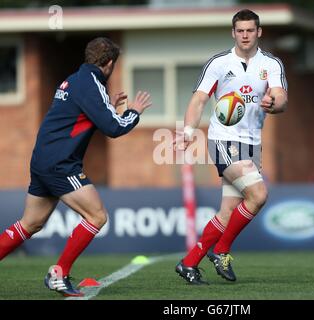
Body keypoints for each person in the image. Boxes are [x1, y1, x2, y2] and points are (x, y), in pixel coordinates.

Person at [0, 37, 151, 296]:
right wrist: (134, 111)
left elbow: (78, 116)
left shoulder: (74, 79)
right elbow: (114, 128)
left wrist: (108, 107)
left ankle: (59, 272)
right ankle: (59, 273)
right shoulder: (91, 85)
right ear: (110, 63)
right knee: (97, 216)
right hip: (61, 163)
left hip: (42, 160)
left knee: (31, 223)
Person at [173, 9, 288, 284]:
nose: (245, 35)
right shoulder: (219, 63)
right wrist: (189, 130)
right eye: (240, 31)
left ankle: (188, 264)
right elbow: (199, 99)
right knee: (258, 195)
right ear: (233, 33)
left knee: (228, 212)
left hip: (252, 144)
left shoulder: (271, 64)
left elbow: (281, 97)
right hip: (224, 139)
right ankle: (222, 249)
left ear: (259, 32)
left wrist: (274, 104)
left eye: (250, 30)